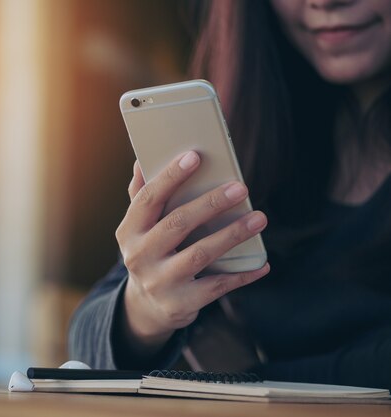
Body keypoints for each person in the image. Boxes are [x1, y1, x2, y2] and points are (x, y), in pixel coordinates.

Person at [68, 0, 391, 390]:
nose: (323, 2)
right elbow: (84, 346)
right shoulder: (254, 129)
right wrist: (144, 306)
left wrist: (239, 378)